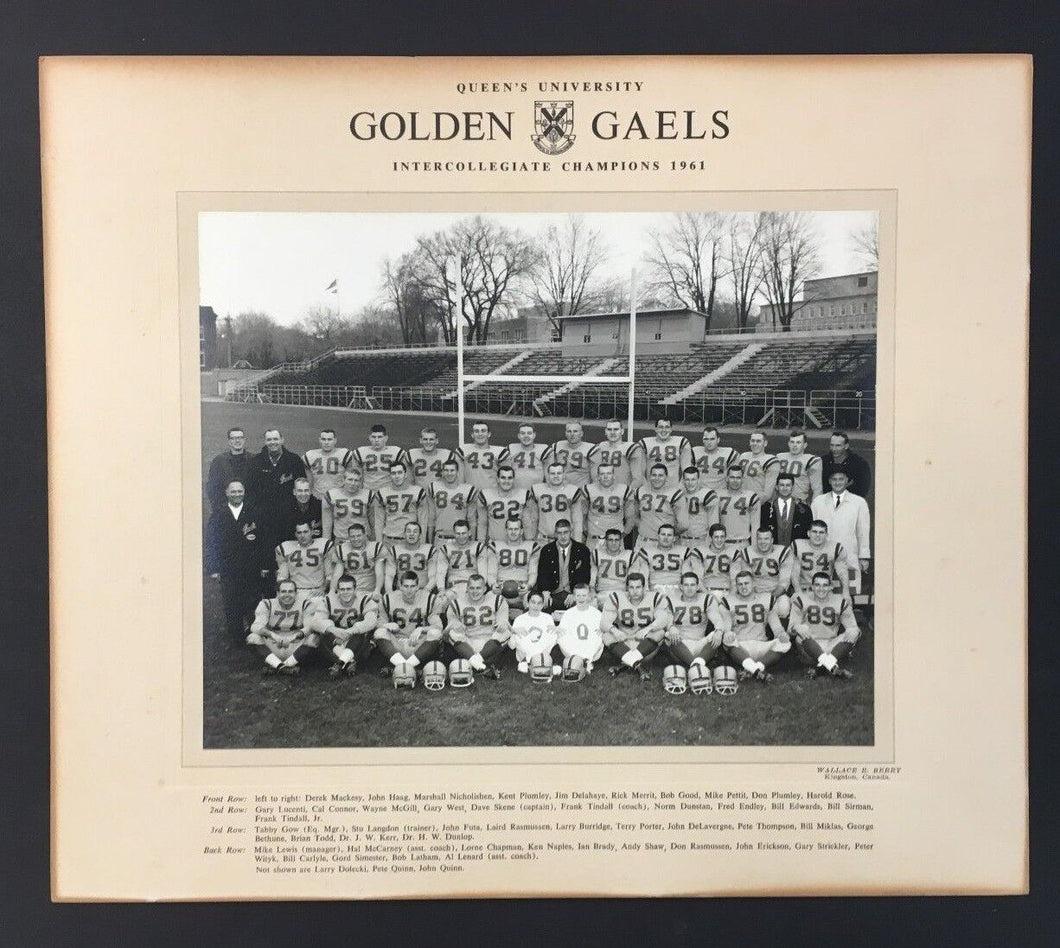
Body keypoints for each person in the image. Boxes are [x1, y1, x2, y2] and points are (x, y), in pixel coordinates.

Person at [205, 480, 272, 640]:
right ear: (227, 493)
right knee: (231, 601)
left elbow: (264, 541)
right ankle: (235, 638)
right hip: (228, 567)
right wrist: (214, 568)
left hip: (251, 566)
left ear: (244, 492)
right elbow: (211, 542)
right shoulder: (218, 514)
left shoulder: (254, 512)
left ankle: (254, 635)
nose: (237, 494)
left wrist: (265, 565)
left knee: (253, 601)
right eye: (233, 492)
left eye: (240, 491)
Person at [717, 570, 790, 682]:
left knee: (785, 642)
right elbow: (726, 625)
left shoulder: (766, 599)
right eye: (740, 584)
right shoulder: (728, 601)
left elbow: (776, 626)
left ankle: (753, 669)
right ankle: (758, 672)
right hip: (740, 647)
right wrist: (727, 633)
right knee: (728, 641)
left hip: (761, 645)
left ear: (754, 584)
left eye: (747, 583)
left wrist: (781, 634)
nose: (743, 587)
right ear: (736, 586)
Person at [789, 572, 861, 678]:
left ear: (831, 587)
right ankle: (833, 667)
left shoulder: (840, 601)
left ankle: (820, 669)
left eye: (825, 585)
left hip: (832, 645)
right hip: (809, 647)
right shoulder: (801, 600)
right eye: (817, 585)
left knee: (852, 633)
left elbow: (854, 628)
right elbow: (790, 630)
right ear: (812, 587)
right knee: (800, 636)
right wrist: (796, 627)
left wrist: (854, 631)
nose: (821, 588)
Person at [600, 572, 671, 680]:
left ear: (644, 587)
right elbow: (604, 622)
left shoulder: (654, 597)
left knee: (660, 632)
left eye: (638, 587)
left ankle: (625, 664)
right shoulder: (617, 597)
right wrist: (615, 631)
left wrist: (648, 629)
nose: (635, 591)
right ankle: (639, 667)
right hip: (624, 641)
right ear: (627, 588)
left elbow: (663, 619)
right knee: (606, 635)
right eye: (631, 587)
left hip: (645, 644)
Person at [247, 428, 307, 555]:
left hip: (288, 514)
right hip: (264, 515)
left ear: (282, 440)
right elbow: (250, 490)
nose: (272, 442)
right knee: (266, 549)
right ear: (265, 441)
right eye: (269, 439)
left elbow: (301, 487)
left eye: (275, 439)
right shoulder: (256, 462)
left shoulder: (294, 460)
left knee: (288, 548)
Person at [810, 470, 871, 594]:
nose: (837, 482)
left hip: (849, 554)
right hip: (822, 556)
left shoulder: (858, 502)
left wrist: (863, 556)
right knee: (822, 594)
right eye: (834, 479)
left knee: (848, 595)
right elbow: (813, 530)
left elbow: (863, 531)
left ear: (847, 481)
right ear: (829, 481)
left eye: (841, 479)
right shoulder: (818, 502)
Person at [309, 574, 379, 677]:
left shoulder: (364, 600)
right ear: (338, 590)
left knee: (361, 628)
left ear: (355, 590)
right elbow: (315, 622)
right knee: (325, 628)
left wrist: (350, 631)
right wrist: (333, 630)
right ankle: (350, 662)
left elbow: (371, 622)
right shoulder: (329, 601)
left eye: (349, 589)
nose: (345, 592)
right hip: (336, 641)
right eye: (342, 589)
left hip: (357, 642)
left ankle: (340, 663)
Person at [376, 572, 444, 677]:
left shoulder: (429, 599)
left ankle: (402, 667)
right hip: (397, 644)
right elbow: (379, 623)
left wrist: (421, 629)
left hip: (418, 645)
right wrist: (387, 625)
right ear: (400, 586)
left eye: (412, 586)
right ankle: (409, 667)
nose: (409, 590)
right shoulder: (388, 599)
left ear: (417, 587)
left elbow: (438, 627)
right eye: (406, 586)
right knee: (379, 632)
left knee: (435, 633)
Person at [442, 574, 511, 678]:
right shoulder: (457, 603)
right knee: (453, 632)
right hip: (468, 644)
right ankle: (481, 664)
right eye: (472, 588)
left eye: (478, 588)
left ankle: (476, 661)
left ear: (485, 589)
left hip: (490, 643)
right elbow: (446, 635)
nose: (475, 591)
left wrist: (503, 623)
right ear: (467, 589)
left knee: (504, 631)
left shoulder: (497, 600)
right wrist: (455, 626)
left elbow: (503, 620)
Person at [246, 579, 317, 676]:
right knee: (253, 637)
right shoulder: (267, 604)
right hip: (274, 642)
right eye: (283, 591)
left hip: (295, 644)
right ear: (278, 593)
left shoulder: (306, 604)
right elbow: (256, 626)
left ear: (296, 593)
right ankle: (283, 667)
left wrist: (294, 636)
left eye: (290, 591)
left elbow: (310, 627)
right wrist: (273, 635)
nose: (287, 595)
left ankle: (279, 666)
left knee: (314, 638)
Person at [664, 571, 726, 676]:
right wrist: (671, 627)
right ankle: (698, 667)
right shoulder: (671, 599)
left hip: (700, 644)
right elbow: (666, 620)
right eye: (686, 585)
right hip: (680, 644)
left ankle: (693, 666)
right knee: (668, 635)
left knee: (716, 634)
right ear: (681, 587)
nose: (689, 588)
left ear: (697, 587)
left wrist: (719, 631)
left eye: (692, 585)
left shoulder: (706, 599)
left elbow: (717, 619)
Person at [483, 517, 540, 618]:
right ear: (506, 530)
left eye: (516, 529)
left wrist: (529, 586)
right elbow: (491, 572)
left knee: (534, 600)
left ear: (521, 531)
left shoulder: (532, 546)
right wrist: (493, 585)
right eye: (510, 529)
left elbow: (533, 572)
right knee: (488, 599)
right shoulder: (495, 545)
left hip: (522, 589)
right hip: (501, 587)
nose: (513, 532)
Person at [533, 519, 592, 613]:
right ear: (555, 534)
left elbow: (585, 575)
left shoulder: (582, 550)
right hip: (553, 593)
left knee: (582, 605)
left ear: (571, 532)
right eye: (559, 533)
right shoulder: (547, 550)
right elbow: (542, 574)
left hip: (573, 594)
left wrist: (575, 593)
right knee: (541, 604)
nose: (563, 536)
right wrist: (545, 591)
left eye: (566, 532)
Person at [736, 528, 795, 619]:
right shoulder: (747, 552)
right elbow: (746, 580)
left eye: (766, 539)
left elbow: (784, 583)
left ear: (772, 540)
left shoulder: (783, 552)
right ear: (756, 540)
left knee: (783, 608)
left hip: (775, 592)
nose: (763, 542)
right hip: (755, 592)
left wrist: (769, 598)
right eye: (760, 539)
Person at [792, 520, 855, 597]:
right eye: (814, 532)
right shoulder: (798, 545)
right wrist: (798, 592)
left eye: (821, 532)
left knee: (844, 605)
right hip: (804, 589)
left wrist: (846, 592)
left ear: (826, 535)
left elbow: (842, 571)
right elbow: (794, 572)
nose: (817, 535)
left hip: (825, 591)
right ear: (808, 533)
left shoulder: (835, 548)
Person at [373, 460, 429, 543]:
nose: (397, 476)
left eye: (399, 472)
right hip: (389, 539)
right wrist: (379, 544)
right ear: (390, 475)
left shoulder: (418, 492)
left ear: (405, 474)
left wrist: (422, 542)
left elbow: (423, 521)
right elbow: (378, 522)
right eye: (393, 473)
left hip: (411, 540)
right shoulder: (382, 493)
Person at [477, 464, 536, 541]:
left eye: (510, 478)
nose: (506, 481)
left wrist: (529, 540)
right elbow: (482, 523)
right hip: (495, 543)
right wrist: (481, 542)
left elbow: (526, 522)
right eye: (503, 478)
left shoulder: (523, 495)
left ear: (514, 479)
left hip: (517, 544)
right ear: (497, 479)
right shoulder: (486, 495)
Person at [327, 522, 385, 599]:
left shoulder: (375, 547)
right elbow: (337, 574)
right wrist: (332, 591)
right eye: (352, 536)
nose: (356, 539)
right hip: (349, 591)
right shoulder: (342, 549)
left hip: (369, 590)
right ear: (349, 537)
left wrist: (377, 590)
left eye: (359, 535)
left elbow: (380, 573)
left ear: (365, 535)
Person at [629, 463, 681, 547]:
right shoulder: (639, 492)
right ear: (649, 477)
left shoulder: (675, 493)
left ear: (666, 478)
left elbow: (683, 524)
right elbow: (633, 516)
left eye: (660, 475)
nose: (657, 478)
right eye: (654, 475)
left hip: (664, 543)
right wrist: (645, 527)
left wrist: (668, 534)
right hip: (644, 541)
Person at [436, 519, 488, 602]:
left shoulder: (478, 547)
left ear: (469, 533)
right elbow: (440, 572)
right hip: (453, 588)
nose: (461, 536)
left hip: (472, 587)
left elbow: (483, 571)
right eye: (458, 533)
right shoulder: (446, 548)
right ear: (454, 534)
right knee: (440, 601)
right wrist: (441, 589)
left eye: (464, 533)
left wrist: (480, 588)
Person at [633, 523, 692, 597]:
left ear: (674, 538)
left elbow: (687, 575)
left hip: (677, 589)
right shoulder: (647, 551)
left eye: (669, 535)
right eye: (663, 534)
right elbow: (643, 574)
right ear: (658, 536)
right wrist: (646, 592)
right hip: (655, 588)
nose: (666, 538)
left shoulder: (684, 551)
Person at [555, 584, 605, 672]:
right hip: (574, 643)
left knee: (599, 634)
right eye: (578, 595)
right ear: (574, 597)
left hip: (589, 644)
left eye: (584, 595)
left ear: (589, 596)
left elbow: (601, 631)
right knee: (560, 635)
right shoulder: (568, 614)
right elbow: (562, 632)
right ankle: (577, 660)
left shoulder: (596, 613)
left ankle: (586, 661)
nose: (581, 598)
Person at [428, 459, 480, 543]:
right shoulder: (434, 487)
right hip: (440, 538)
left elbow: (472, 520)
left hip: (461, 538)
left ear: (457, 471)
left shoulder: (468, 490)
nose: (449, 473)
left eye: (452, 470)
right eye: (446, 470)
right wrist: (430, 542)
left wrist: (473, 543)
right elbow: (431, 518)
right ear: (442, 472)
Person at [531, 462, 584, 541]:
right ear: (548, 475)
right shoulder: (538, 490)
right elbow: (534, 518)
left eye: (559, 473)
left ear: (564, 474)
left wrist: (577, 542)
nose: (556, 476)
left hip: (565, 540)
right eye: (552, 473)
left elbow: (577, 520)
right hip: (543, 539)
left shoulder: (572, 491)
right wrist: (532, 538)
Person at [275, 521, 330, 598]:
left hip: (316, 591)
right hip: (294, 591)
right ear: (295, 534)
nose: (302, 535)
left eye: (305, 532)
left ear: (312, 532)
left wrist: (323, 588)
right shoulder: (286, 548)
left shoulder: (323, 545)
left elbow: (330, 575)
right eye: (299, 532)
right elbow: (282, 577)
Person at [766, 429, 823, 503]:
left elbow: (817, 489)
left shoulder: (812, 460)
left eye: (798, 442)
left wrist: (815, 509)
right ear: (788, 443)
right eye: (792, 442)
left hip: (799, 503)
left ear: (805, 445)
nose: (795, 445)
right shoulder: (779, 457)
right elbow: (772, 483)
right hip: (779, 502)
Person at [206, 427, 253, 513]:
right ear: (229, 441)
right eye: (233, 438)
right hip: (225, 511)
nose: (237, 441)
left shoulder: (254, 460)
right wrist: (222, 508)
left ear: (244, 440)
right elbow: (212, 488)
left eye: (240, 438)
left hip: (250, 510)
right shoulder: (219, 461)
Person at [509, 591, 559, 671]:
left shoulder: (548, 618)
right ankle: (528, 661)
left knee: (552, 634)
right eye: (533, 602)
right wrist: (515, 632)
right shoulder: (520, 619)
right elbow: (512, 644)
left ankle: (540, 661)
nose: (536, 606)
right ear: (527, 603)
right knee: (519, 634)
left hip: (543, 649)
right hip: (526, 651)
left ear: (542, 605)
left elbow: (552, 639)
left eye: (539, 603)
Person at [637, 417, 691, 490]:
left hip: (673, 488)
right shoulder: (644, 443)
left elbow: (687, 470)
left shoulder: (681, 442)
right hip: (651, 489)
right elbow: (640, 472)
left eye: (667, 427)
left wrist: (680, 488)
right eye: (660, 427)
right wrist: (646, 488)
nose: (664, 430)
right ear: (655, 429)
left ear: (671, 429)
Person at [581, 462, 630, 543]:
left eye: (609, 473)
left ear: (614, 476)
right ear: (598, 477)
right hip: (594, 538)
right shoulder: (588, 490)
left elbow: (630, 518)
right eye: (602, 474)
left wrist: (621, 536)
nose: (606, 477)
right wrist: (588, 533)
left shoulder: (624, 490)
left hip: (615, 539)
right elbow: (582, 516)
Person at [760, 472, 813, 547]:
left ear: (792, 487)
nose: (785, 488)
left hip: (796, 551)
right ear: (776, 487)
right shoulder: (766, 508)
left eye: (788, 485)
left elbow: (808, 533)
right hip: (772, 551)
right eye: (782, 485)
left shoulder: (804, 509)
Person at [322, 468, 375, 541]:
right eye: (350, 479)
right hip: (341, 539)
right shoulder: (331, 495)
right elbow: (327, 525)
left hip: (362, 539)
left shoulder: (368, 495)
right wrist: (326, 544)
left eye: (356, 480)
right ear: (343, 480)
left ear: (360, 482)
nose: (353, 483)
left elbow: (373, 523)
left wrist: (374, 542)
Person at [383, 521, 436, 592]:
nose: (411, 534)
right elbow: (389, 575)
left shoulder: (430, 550)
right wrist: (389, 592)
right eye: (408, 531)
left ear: (420, 535)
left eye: (415, 531)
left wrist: (426, 590)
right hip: (401, 592)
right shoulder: (394, 550)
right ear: (404, 534)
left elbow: (433, 576)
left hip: (423, 590)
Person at [302, 428, 354, 500]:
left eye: (329, 439)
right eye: (323, 439)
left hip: (339, 497)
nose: (326, 442)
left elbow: (352, 474)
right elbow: (307, 476)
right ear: (320, 440)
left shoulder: (344, 454)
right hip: (317, 497)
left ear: (335, 440)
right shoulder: (310, 455)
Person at [353, 423, 406, 492]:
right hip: (368, 491)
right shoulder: (360, 452)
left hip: (389, 492)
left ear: (386, 438)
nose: (376, 440)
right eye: (374, 437)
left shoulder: (396, 452)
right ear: (369, 438)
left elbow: (404, 475)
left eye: (380, 437)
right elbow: (357, 475)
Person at [715, 466, 761, 546]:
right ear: (727, 479)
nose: (735, 481)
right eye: (732, 477)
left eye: (738, 478)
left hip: (743, 543)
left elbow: (755, 526)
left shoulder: (751, 497)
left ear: (742, 479)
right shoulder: (718, 495)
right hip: (722, 543)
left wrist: (754, 548)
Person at [588, 419, 641, 486]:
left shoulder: (631, 448)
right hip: (603, 493)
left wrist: (628, 494)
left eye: (616, 429)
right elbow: (594, 475)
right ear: (605, 431)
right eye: (609, 429)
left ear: (622, 431)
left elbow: (638, 478)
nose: (612, 432)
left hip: (623, 491)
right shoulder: (599, 448)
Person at [821, 430, 872, 500]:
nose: (834, 449)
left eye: (838, 446)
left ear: (846, 446)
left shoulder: (860, 464)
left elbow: (863, 489)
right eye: (832, 445)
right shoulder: (823, 462)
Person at [544, 420, 595, 488]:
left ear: (581, 433)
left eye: (575, 431)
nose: (572, 434)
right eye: (569, 431)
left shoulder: (591, 449)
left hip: (581, 490)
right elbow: (548, 469)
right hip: (561, 490)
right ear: (565, 433)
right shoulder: (557, 446)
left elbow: (596, 476)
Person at [675, 465, 718, 542]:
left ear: (698, 480)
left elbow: (714, 522)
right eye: (687, 479)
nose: (690, 483)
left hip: (700, 540)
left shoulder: (707, 494)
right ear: (683, 481)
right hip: (681, 540)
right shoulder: (679, 495)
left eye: (693, 479)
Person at [457, 421, 503, 491]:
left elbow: (506, 478)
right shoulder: (463, 451)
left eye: (483, 431)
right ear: (472, 435)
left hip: (491, 495)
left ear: (489, 434)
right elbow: (460, 477)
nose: (480, 434)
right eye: (476, 431)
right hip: (469, 494)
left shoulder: (499, 452)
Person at [692, 426, 739, 495]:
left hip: (721, 492)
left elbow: (735, 477)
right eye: (706, 439)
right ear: (702, 440)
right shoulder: (694, 452)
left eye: (712, 439)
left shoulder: (729, 453)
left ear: (718, 440)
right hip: (700, 493)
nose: (709, 442)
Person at [501, 423, 547, 492]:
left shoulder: (544, 450)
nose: (526, 436)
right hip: (514, 491)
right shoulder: (510, 449)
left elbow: (549, 474)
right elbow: (504, 473)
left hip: (536, 492)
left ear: (534, 435)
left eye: (529, 433)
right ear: (518, 436)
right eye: (522, 433)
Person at [590, 528, 634, 598]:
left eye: (616, 540)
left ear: (621, 541)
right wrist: (591, 589)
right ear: (606, 541)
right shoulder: (597, 554)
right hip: (602, 592)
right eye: (610, 540)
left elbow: (633, 578)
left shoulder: (630, 555)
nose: (614, 543)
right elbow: (592, 576)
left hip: (622, 592)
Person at [736, 432, 778, 498]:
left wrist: (753, 504)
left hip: (758, 502)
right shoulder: (743, 456)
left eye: (758, 441)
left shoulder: (771, 461)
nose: (755, 443)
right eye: (753, 441)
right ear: (749, 442)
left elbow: (768, 493)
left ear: (765, 443)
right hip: (740, 499)